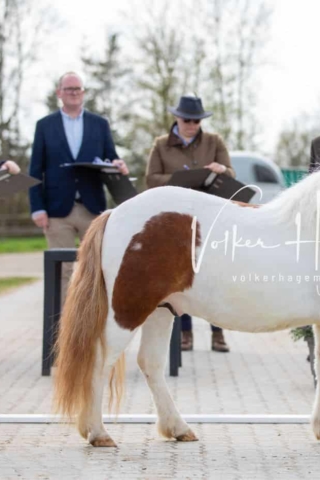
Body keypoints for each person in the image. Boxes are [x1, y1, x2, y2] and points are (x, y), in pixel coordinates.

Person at [145, 95, 234, 353]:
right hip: (175, 219)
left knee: (213, 274)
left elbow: (231, 172)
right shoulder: (161, 145)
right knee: (179, 275)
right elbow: (151, 178)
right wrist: (180, 179)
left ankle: (218, 333)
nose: (191, 125)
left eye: (196, 120)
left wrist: (220, 169)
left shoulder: (214, 141)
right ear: (177, 118)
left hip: (209, 216)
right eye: (187, 120)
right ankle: (185, 334)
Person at [29, 72, 128, 300]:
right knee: (62, 270)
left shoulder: (100, 124)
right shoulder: (44, 126)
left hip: (92, 208)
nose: (74, 93)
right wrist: (38, 208)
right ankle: (63, 328)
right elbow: (35, 170)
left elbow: (111, 157)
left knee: (94, 269)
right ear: (59, 93)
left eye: (78, 89)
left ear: (83, 93)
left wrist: (118, 164)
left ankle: (91, 326)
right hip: (56, 211)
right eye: (69, 89)